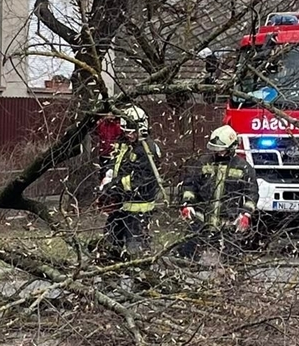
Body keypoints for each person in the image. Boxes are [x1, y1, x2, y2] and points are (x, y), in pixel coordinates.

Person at [177, 125, 259, 262]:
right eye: (216, 150)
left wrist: (246, 214)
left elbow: (252, 193)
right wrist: (187, 204)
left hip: (229, 225)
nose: (218, 153)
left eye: (222, 150)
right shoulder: (203, 163)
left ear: (232, 147)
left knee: (232, 263)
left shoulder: (244, 168)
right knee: (184, 258)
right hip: (201, 221)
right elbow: (189, 185)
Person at [97, 105, 162, 259]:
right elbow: (115, 162)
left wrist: (113, 188)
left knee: (136, 250)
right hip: (121, 204)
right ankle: (110, 267)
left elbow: (139, 180)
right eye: (126, 132)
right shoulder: (123, 143)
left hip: (138, 208)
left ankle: (140, 270)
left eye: (132, 132)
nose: (129, 135)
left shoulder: (147, 150)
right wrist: (108, 176)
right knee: (110, 243)